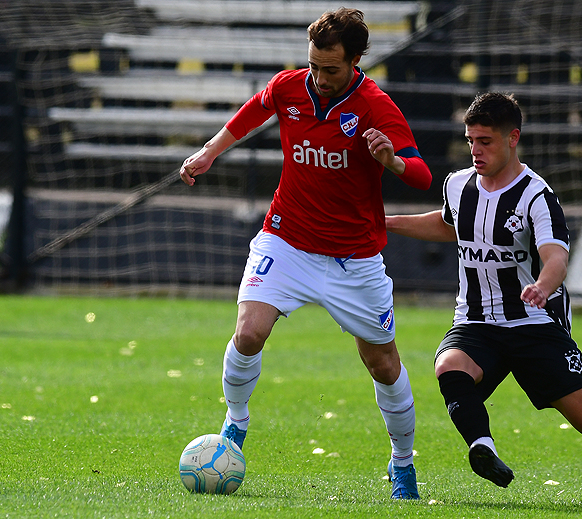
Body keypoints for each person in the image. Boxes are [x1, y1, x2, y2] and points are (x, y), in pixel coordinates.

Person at [385, 92, 582, 510]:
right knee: (449, 366)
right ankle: (483, 448)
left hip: (535, 324)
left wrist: (543, 287)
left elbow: (556, 258)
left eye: (486, 141)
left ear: (513, 138)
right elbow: (447, 226)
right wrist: (384, 223)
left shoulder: (536, 196)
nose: (476, 150)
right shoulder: (457, 185)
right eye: (471, 139)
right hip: (477, 322)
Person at [179, 8, 431, 500]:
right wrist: (210, 151)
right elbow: (258, 106)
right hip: (286, 240)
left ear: (356, 61)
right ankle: (236, 422)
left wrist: (392, 162)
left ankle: (402, 462)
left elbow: (422, 175)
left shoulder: (377, 106)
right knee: (248, 333)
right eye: (313, 65)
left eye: (330, 68)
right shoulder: (292, 86)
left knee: (382, 364)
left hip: (353, 259)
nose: (318, 77)